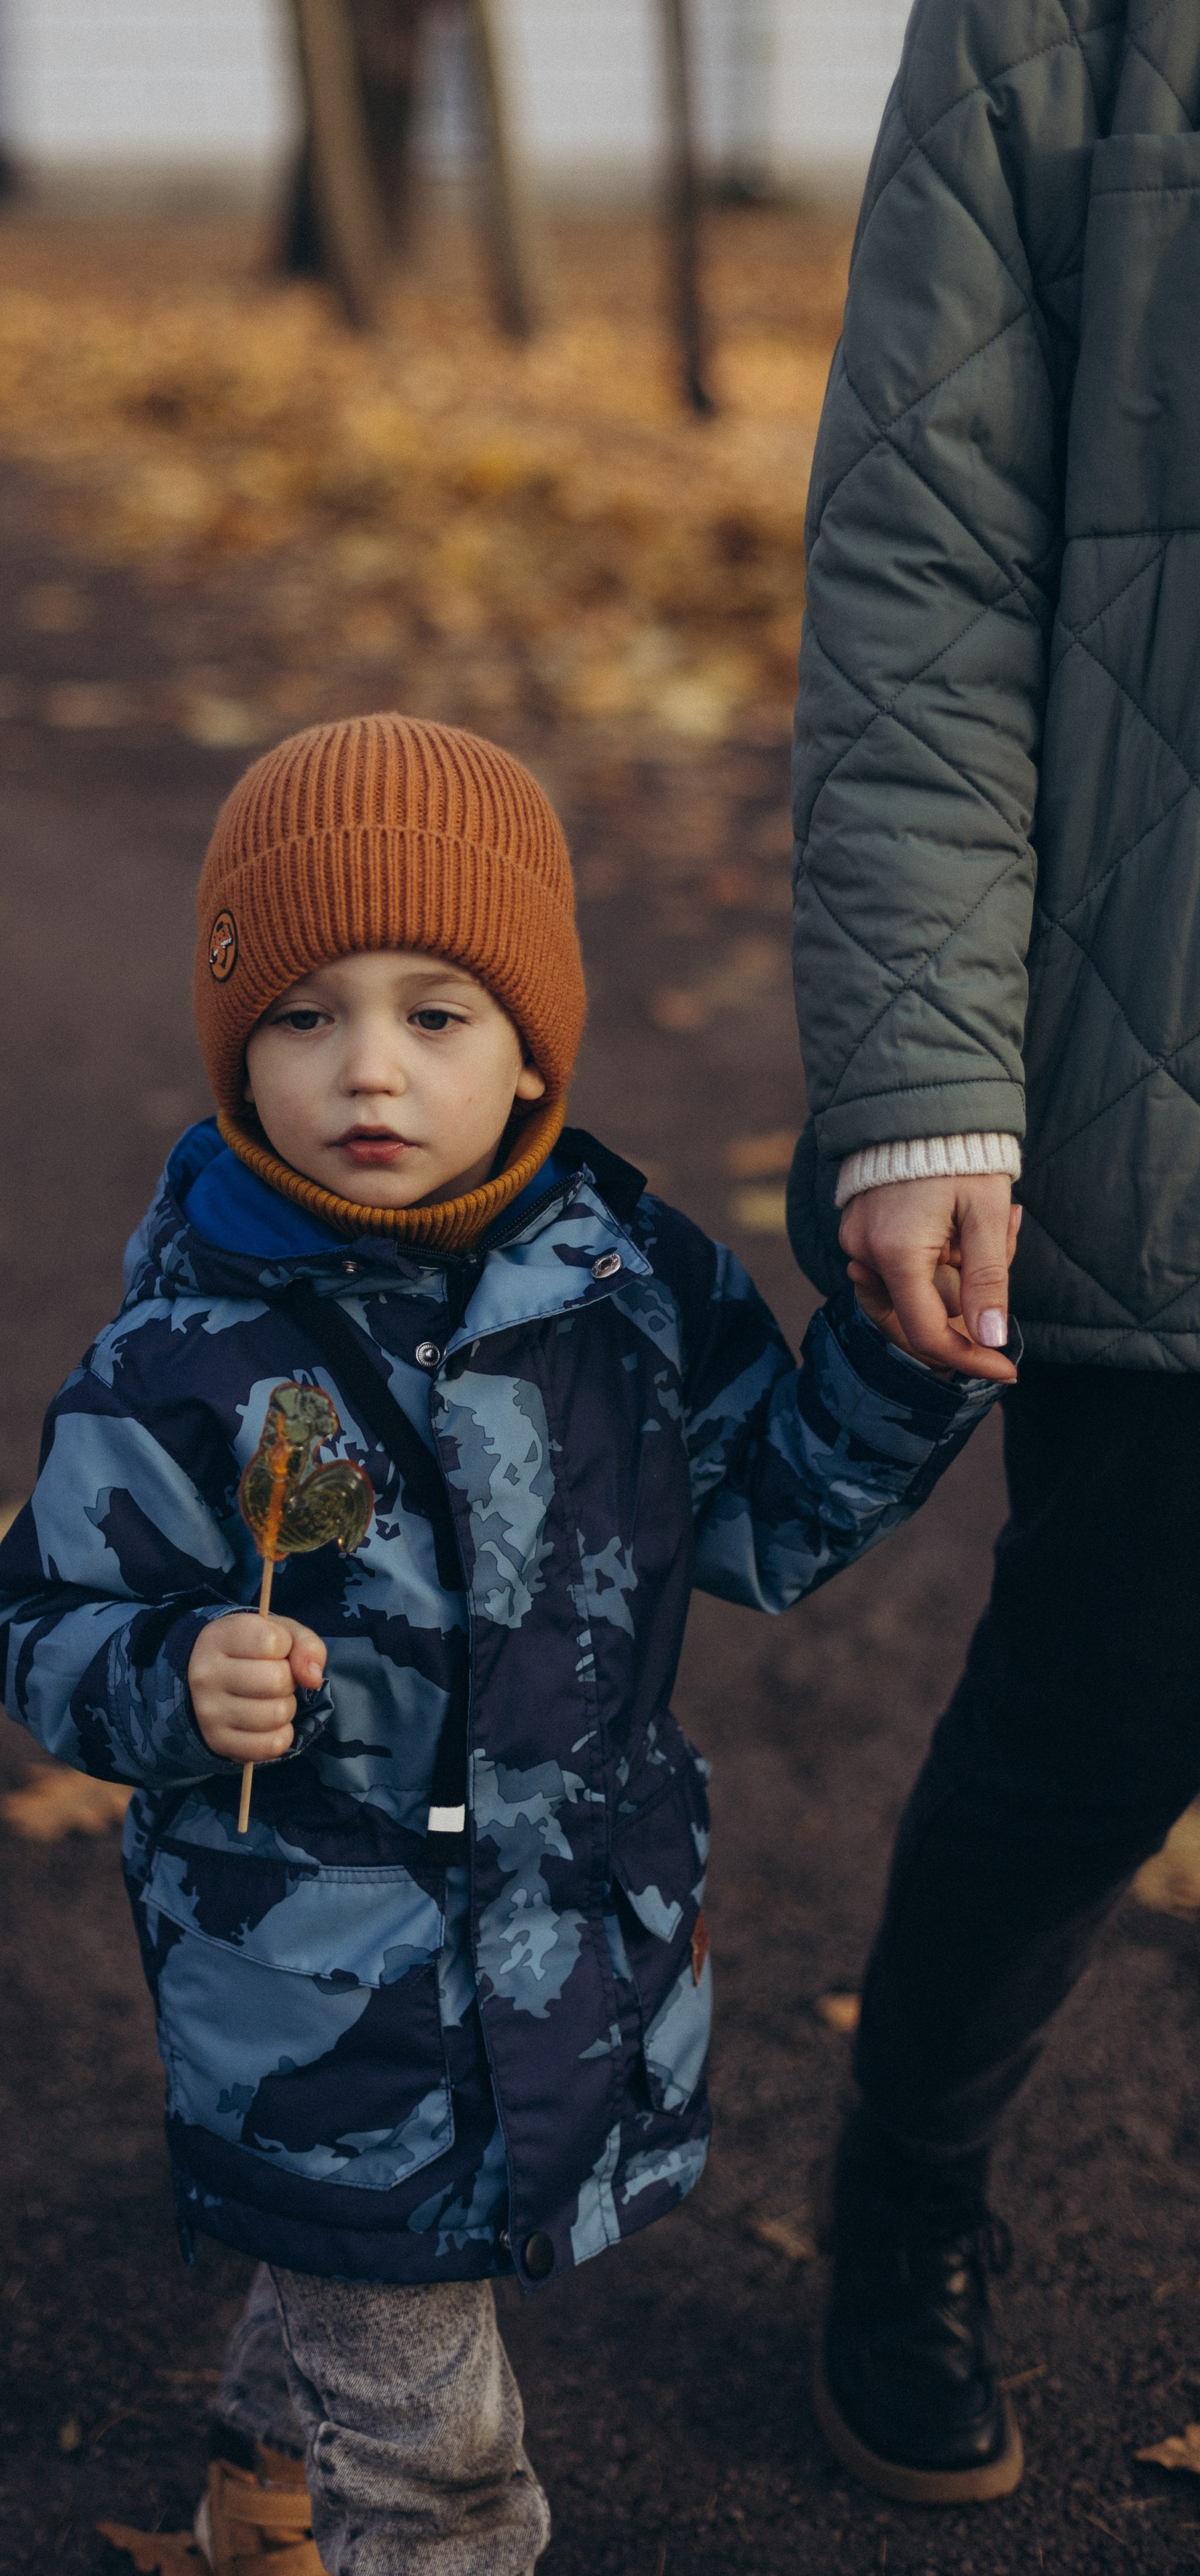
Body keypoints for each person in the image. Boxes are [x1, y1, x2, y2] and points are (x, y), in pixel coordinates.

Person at [0, 712, 1004, 2576]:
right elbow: (38, 1614)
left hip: (564, 1939)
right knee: (445, 2469)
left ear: (533, 1042)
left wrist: (887, 1376)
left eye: (436, 1014)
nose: (369, 1068)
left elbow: (753, 1524)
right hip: (319, 2005)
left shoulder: (624, 1281)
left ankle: (258, 2478)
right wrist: (170, 1673)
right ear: (235, 1050)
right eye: (305, 1016)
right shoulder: (188, 1356)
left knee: (374, 2269)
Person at [786, 0, 1200, 2512]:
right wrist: (933, 1081)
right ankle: (905, 2199)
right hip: (1168, 1060)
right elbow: (930, 541)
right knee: (1091, 1724)